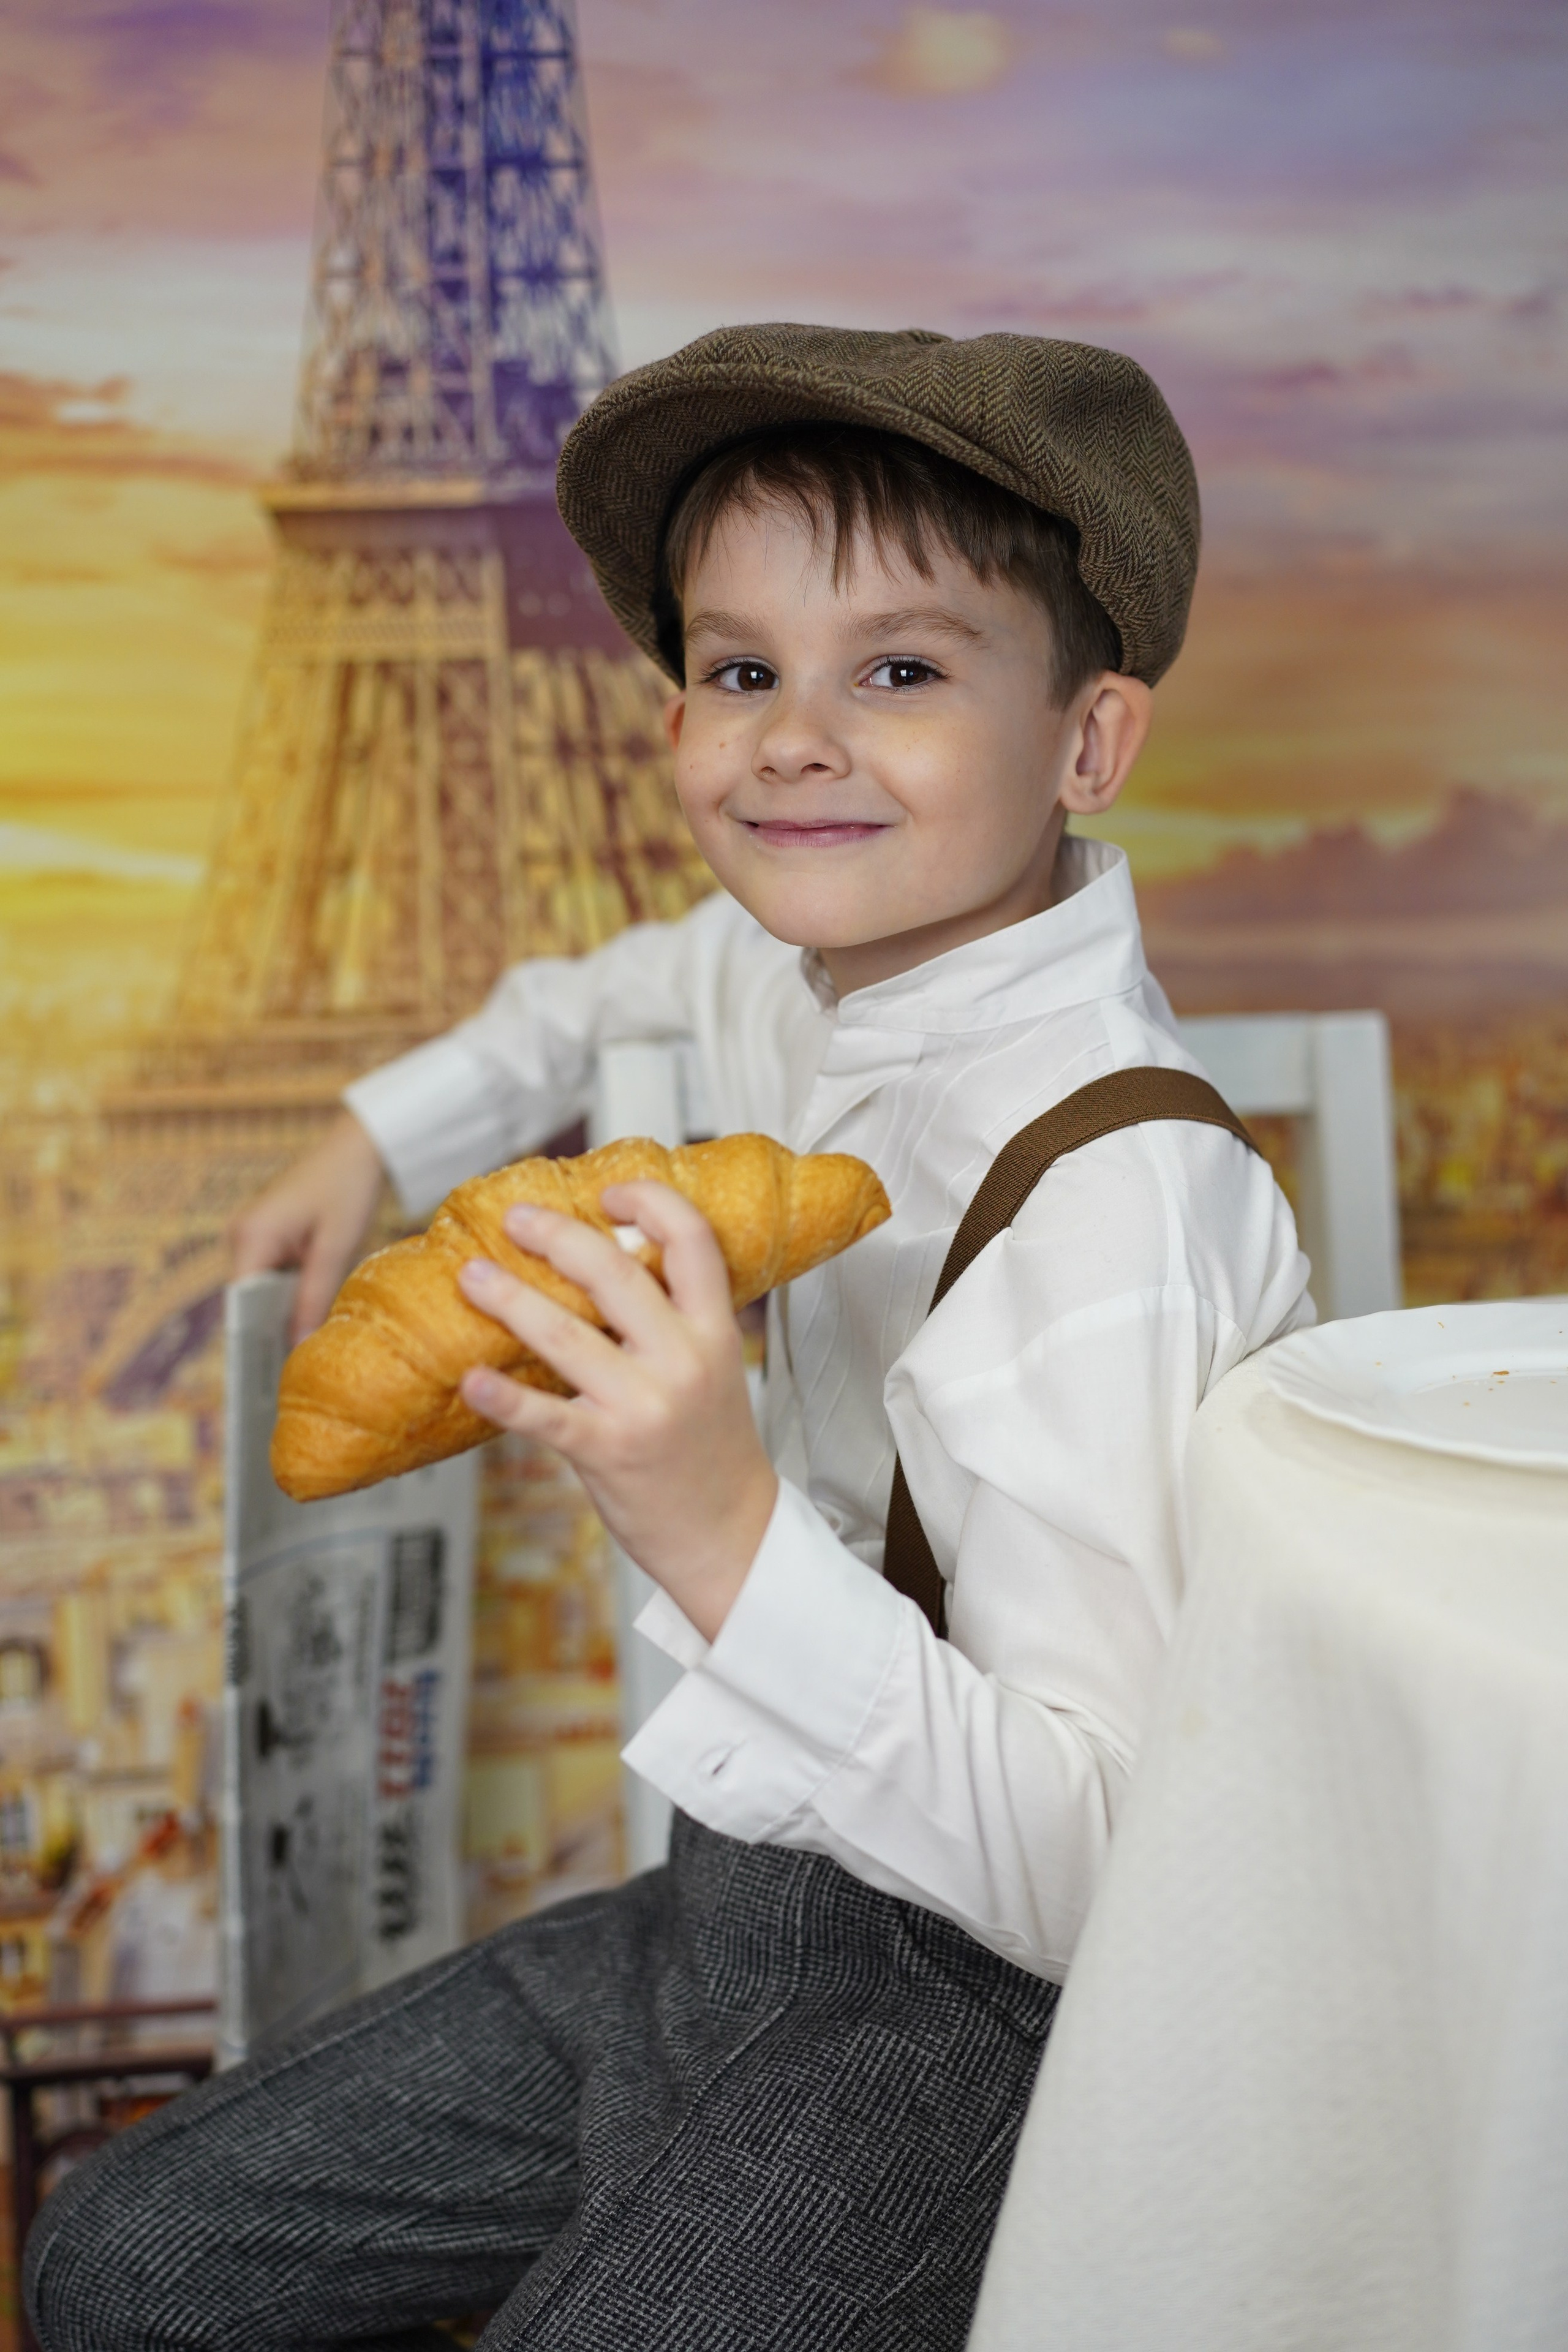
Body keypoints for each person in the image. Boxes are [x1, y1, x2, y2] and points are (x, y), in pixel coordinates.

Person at [26, 325, 1311, 2352]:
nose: (794, 736)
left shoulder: (1121, 1204)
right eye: (738, 670)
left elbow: (1102, 1892)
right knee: (121, 2264)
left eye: (897, 669)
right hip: (723, 1919)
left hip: (967, 2028)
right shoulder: (801, 964)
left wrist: (715, 1521)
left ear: (1089, 744)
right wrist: (383, 1124)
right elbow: (586, 993)